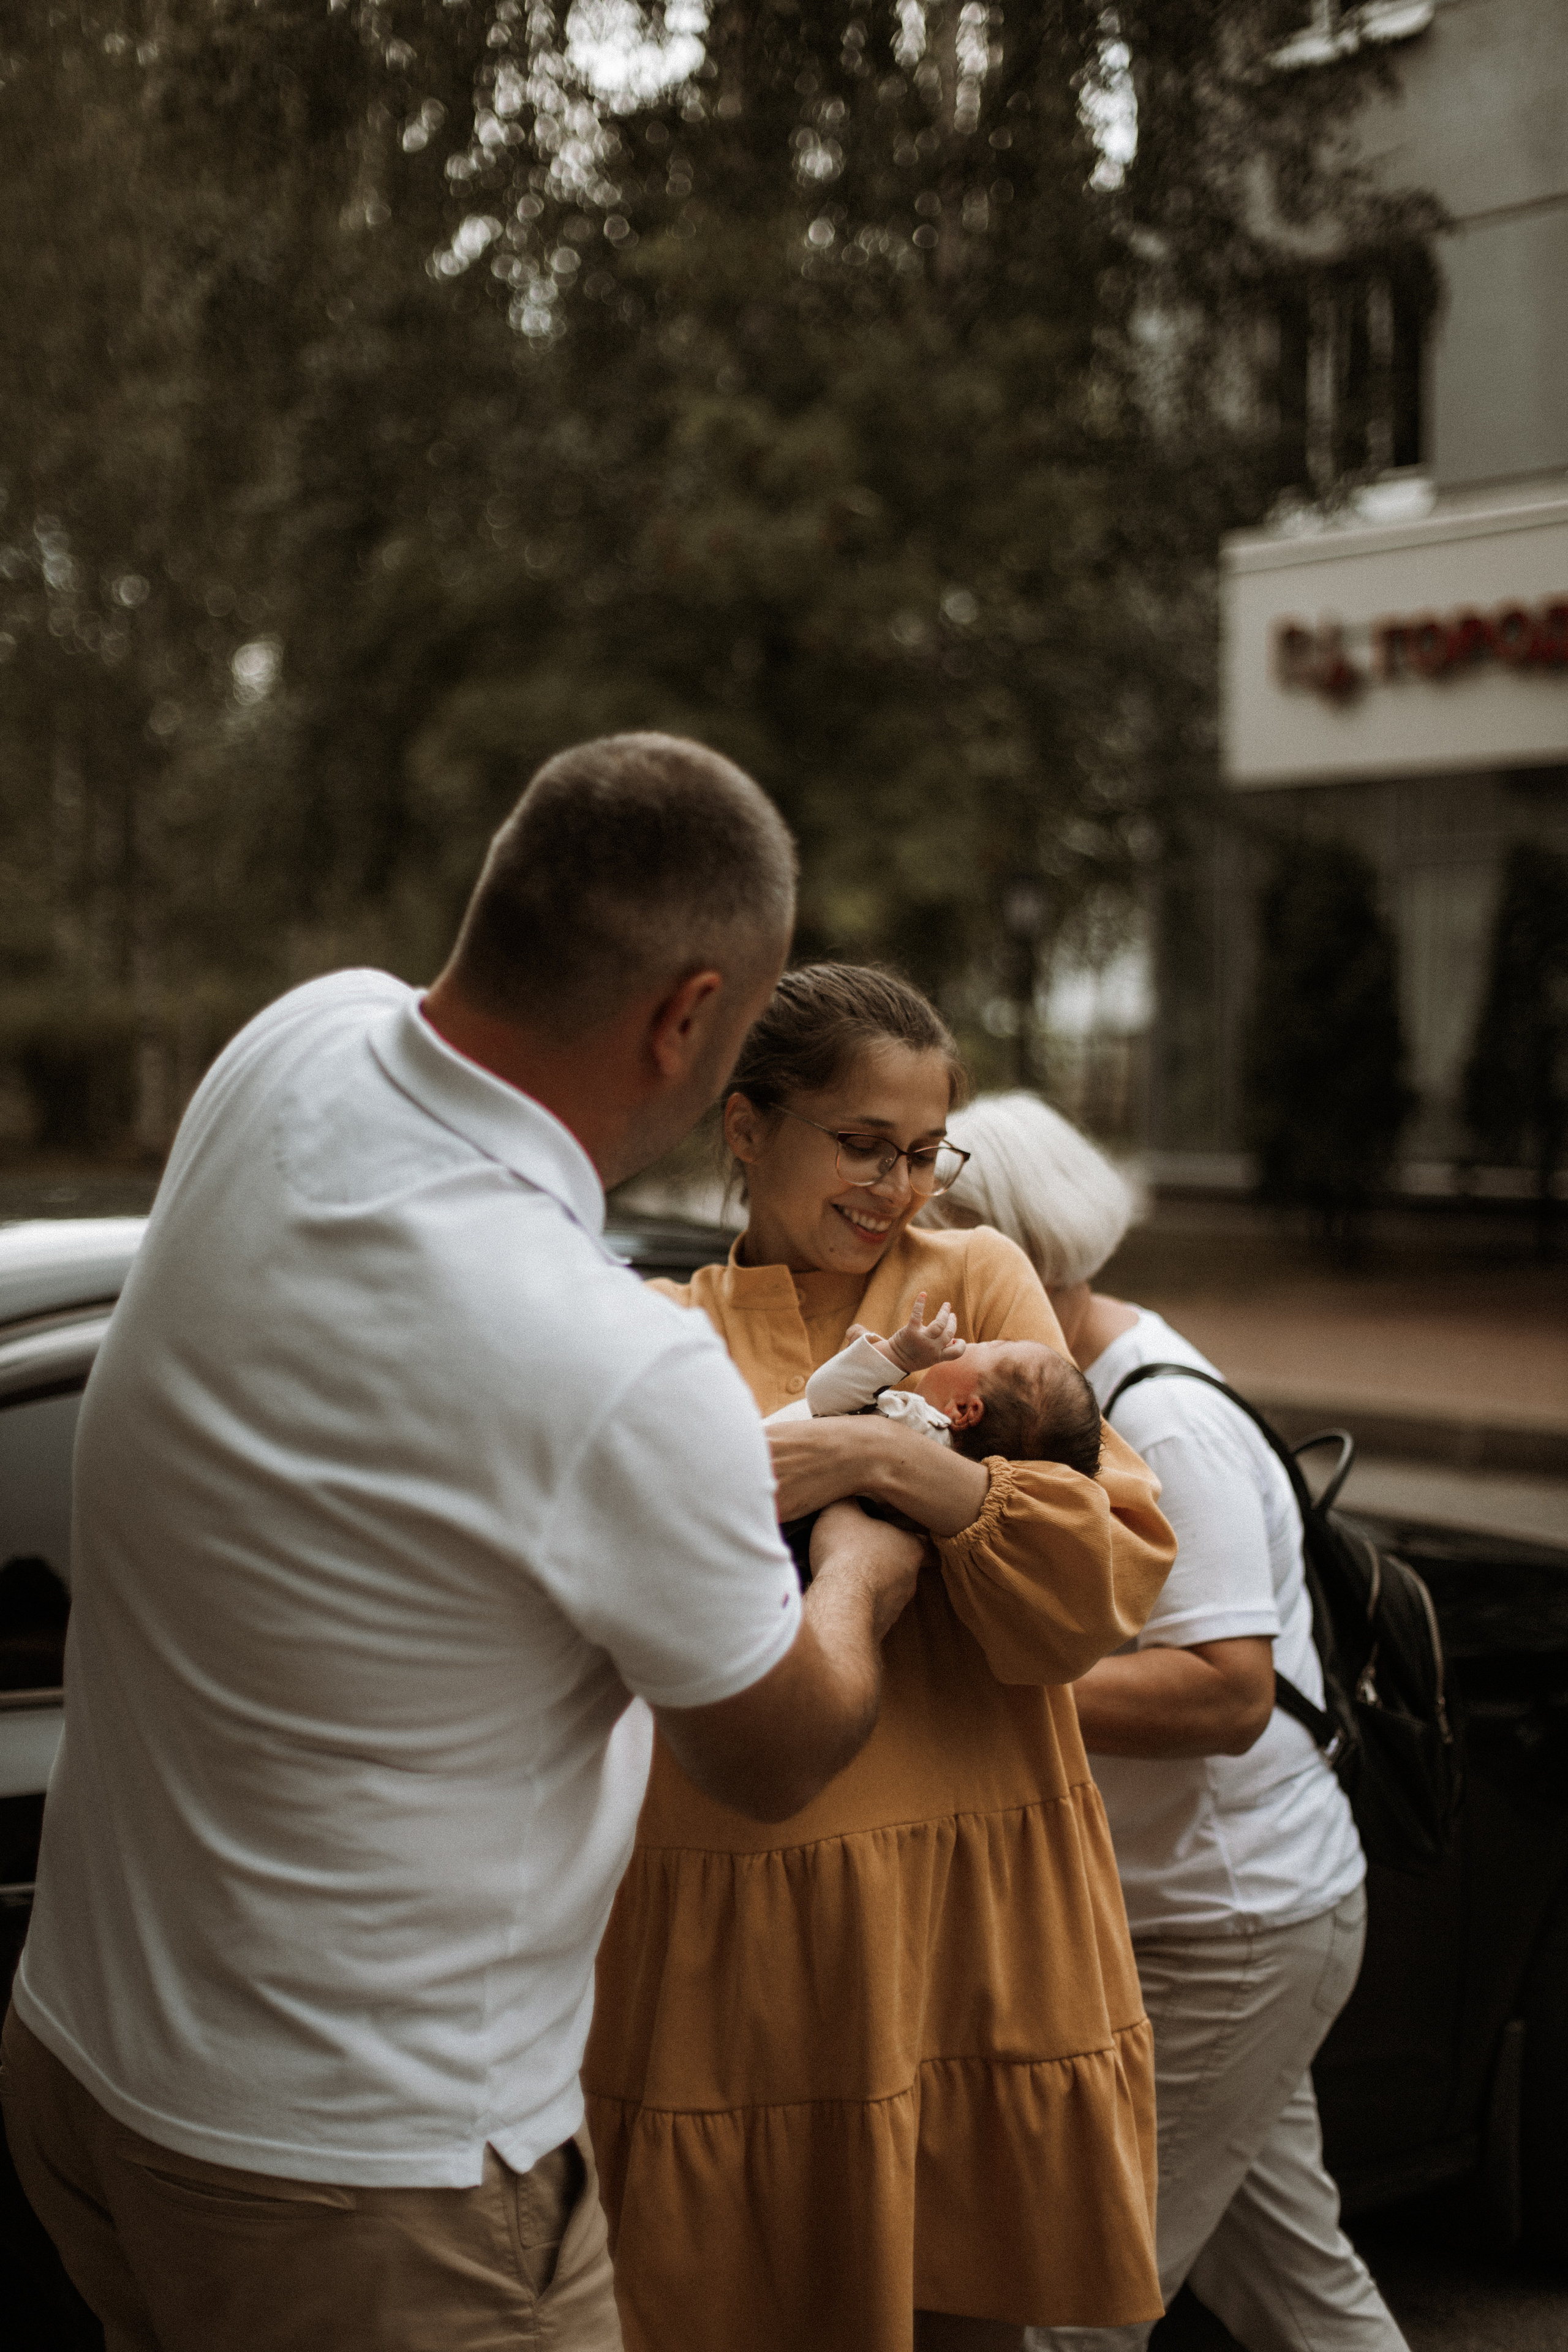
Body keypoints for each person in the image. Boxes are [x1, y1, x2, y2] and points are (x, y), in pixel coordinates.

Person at [0, 734, 928, 2352]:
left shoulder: (295, 1045)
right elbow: (771, 1752)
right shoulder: (616, 1363)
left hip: (85, 2067)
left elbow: (419, 1471)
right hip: (361, 2182)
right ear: (685, 1018)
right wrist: (860, 1559)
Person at [582, 963, 1179, 2352]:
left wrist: (853, 1452)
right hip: (735, 1943)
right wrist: (911, 1475)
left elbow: (1093, 1592)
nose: (896, 1189)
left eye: (923, 1154)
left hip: (972, 1917)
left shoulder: (975, 1277)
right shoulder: (661, 1328)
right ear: (745, 1126)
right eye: (862, 1145)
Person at [925, 1093, 1409, 2352]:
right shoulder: (1068, 1390)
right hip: (1215, 1917)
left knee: (1063, 2307)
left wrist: (980, 1695)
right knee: (1295, 2290)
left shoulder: (1155, 1418)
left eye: (946, 1244)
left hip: (1224, 1928)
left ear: (1024, 1251)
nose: (921, 1278)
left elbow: (1226, 1689)